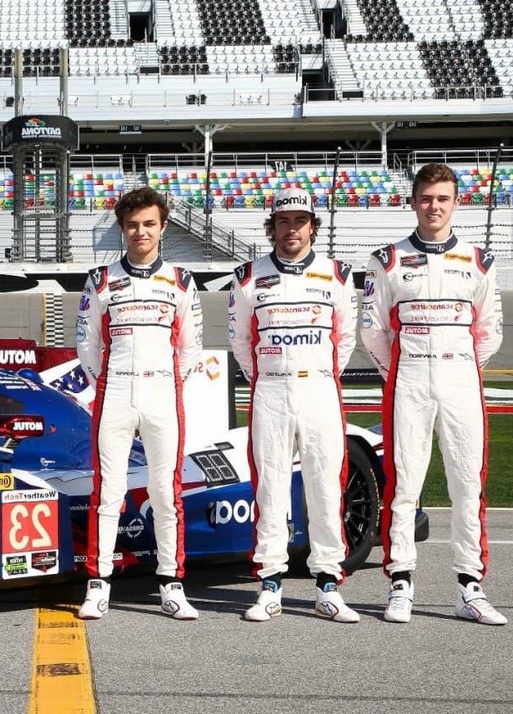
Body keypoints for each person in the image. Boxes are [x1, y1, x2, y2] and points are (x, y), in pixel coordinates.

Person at [360, 162, 506, 625]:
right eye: (426, 198)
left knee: (469, 485)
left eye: (442, 198)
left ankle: (470, 587)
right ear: (413, 202)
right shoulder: (387, 259)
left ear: (455, 203)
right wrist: (401, 370)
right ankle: (400, 582)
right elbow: (372, 331)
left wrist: (459, 365)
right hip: (409, 382)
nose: (434, 206)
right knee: (405, 483)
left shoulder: (480, 260)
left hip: (461, 381)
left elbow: (489, 332)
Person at [226, 187, 360, 624]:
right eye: (284, 221)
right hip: (270, 390)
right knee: (271, 487)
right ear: (273, 227)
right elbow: (240, 343)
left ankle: (328, 584)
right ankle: (269, 584)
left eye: (300, 221)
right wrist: (266, 374)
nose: (292, 229)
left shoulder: (337, 275)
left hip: (319, 389)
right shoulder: (247, 276)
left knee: (325, 486)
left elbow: (345, 340)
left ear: (313, 226)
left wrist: (317, 372)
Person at [74, 186, 203, 621]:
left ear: (163, 227)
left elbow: (190, 349)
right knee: (107, 492)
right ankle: (98, 584)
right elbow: (86, 344)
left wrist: (166, 381)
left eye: (149, 224)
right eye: (132, 225)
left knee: (167, 492)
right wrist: (108, 382)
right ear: (122, 229)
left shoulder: (183, 281)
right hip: (115, 394)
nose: (140, 232)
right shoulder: (101, 279)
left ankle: (171, 583)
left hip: (163, 393)